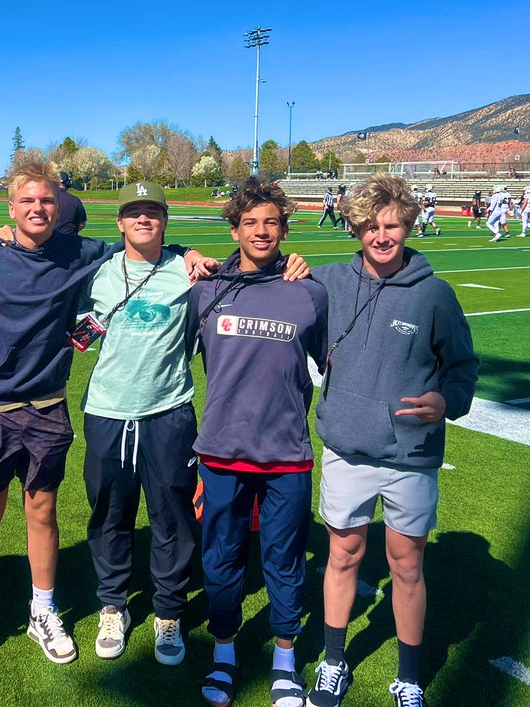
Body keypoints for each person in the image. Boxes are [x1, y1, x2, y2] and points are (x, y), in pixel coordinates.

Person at [0, 162, 215, 677]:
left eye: (47, 202)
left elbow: (145, 242)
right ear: (10, 208)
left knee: (43, 512)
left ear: (60, 209)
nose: (37, 209)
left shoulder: (80, 252)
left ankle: (43, 610)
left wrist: (187, 251)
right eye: (27, 201)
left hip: (49, 405)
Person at [305, 174, 478, 707]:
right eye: (372, 226)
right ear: (356, 228)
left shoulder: (434, 294)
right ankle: (333, 662)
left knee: (406, 564)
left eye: (393, 226)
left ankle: (408, 677)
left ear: (408, 225)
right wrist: (189, 254)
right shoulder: (327, 279)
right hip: (346, 448)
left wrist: (449, 401)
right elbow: (261, 272)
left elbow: (463, 367)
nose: (382, 236)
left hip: (410, 454)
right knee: (344, 556)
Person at [190, 180, 328, 707]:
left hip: (286, 454)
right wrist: (189, 258)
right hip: (222, 451)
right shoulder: (207, 289)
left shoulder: (309, 291)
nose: (262, 231)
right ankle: (224, 652)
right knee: (222, 557)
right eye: (251, 223)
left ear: (285, 230)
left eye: (271, 222)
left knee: (284, 559)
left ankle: (285, 659)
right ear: (235, 229)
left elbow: (330, 360)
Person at [80, 181, 204, 667]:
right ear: (120, 222)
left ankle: (168, 610)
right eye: (134, 212)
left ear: (165, 221)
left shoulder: (190, 271)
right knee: (109, 511)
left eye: (153, 211)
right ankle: (113, 605)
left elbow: (252, 268)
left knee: (171, 515)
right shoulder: (98, 270)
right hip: (108, 410)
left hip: (168, 411)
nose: (144, 219)